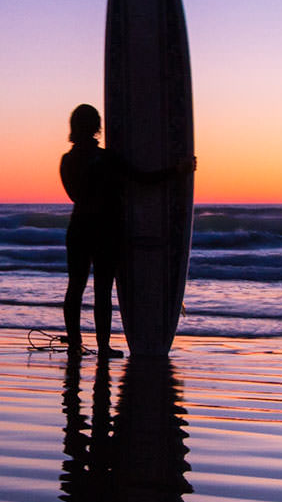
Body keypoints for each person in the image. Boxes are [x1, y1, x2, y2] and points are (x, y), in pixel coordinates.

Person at [59, 103, 192, 356]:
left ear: (73, 127)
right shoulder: (107, 158)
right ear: (97, 127)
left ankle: (75, 346)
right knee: (102, 290)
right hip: (106, 229)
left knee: (75, 287)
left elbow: (74, 194)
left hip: (78, 228)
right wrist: (177, 170)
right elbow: (143, 179)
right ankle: (103, 346)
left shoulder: (67, 160)